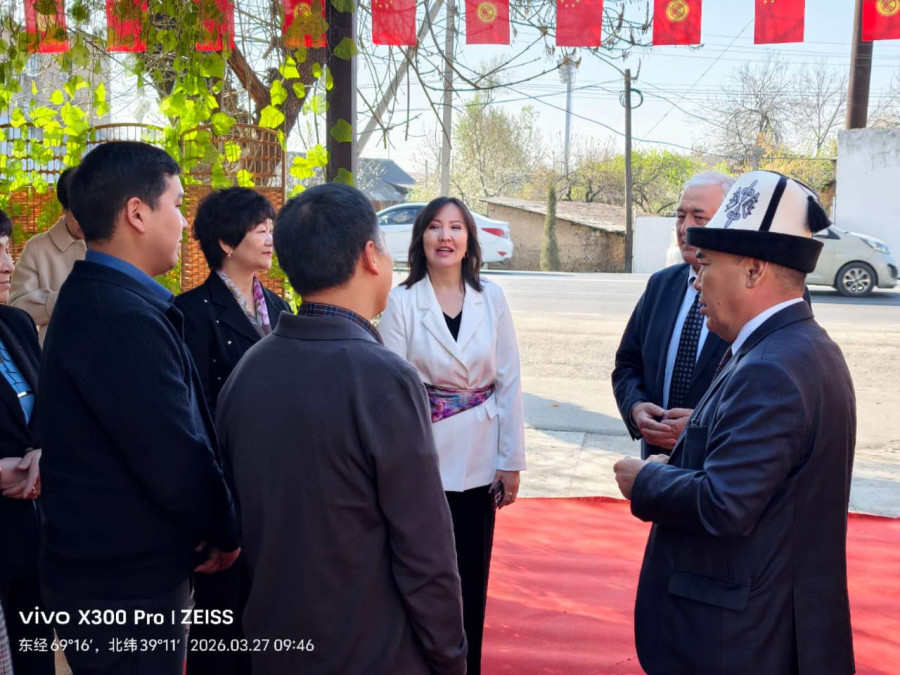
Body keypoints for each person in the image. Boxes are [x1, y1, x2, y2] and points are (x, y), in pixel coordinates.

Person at [217, 183, 467, 675]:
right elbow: (425, 550)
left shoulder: (249, 369)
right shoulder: (383, 378)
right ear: (370, 256)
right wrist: (451, 657)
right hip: (373, 652)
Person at [613, 171, 856, 674]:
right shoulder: (795, 346)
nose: (696, 282)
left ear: (752, 271)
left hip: (740, 640)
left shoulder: (771, 366)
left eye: (707, 266)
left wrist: (647, 480)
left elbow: (724, 504)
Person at [37, 141, 240, 674]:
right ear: (136, 213)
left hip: (116, 574)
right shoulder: (117, 317)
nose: (182, 221)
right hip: (123, 587)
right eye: (175, 204)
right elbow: (174, 454)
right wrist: (223, 530)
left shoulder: (109, 299)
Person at [378, 196, 526, 675]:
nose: (446, 237)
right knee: (421, 574)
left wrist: (511, 460)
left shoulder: (492, 297)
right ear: (420, 238)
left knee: (470, 575)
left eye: (456, 228)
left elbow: (509, 379)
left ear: (469, 241)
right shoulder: (402, 301)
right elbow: (392, 387)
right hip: (423, 457)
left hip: (481, 457)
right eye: (435, 228)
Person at [174, 188, 289, 675]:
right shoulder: (192, 311)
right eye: (259, 228)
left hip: (276, 484)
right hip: (225, 484)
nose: (269, 237)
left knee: (273, 614)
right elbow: (191, 412)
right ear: (225, 241)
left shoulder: (281, 307)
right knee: (219, 622)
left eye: (270, 227)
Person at [612, 171, 734, 458]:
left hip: (716, 469)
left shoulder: (749, 296)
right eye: (680, 216)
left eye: (698, 217)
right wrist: (635, 407)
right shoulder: (660, 285)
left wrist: (701, 429)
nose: (685, 228)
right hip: (655, 466)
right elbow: (627, 364)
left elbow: (761, 396)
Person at [0, 209, 54, 675]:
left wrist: (41, 453)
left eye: (6, 248)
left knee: (34, 653)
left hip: (31, 532)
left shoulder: (16, 325)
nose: (7, 264)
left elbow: (48, 409)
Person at [9, 167, 86, 344]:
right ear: (64, 209)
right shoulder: (37, 248)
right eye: (77, 215)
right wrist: (62, 299)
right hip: (55, 358)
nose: (85, 221)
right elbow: (16, 309)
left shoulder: (109, 244)